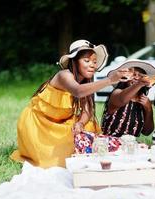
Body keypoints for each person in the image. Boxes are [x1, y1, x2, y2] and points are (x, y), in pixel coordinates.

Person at [10, 39, 127, 168]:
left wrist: (80, 123)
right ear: (74, 62)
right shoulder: (64, 75)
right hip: (39, 124)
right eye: (86, 61)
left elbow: (88, 110)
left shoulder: (86, 83)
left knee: (89, 125)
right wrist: (110, 79)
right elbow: (77, 91)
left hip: (61, 122)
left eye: (94, 61)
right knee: (56, 158)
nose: (92, 65)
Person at [101, 60, 155, 137]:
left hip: (132, 145)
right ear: (124, 78)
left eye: (140, 75)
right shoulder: (117, 93)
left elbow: (147, 132)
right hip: (111, 142)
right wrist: (140, 83)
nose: (136, 77)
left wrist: (148, 109)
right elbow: (122, 100)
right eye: (133, 74)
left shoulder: (143, 100)